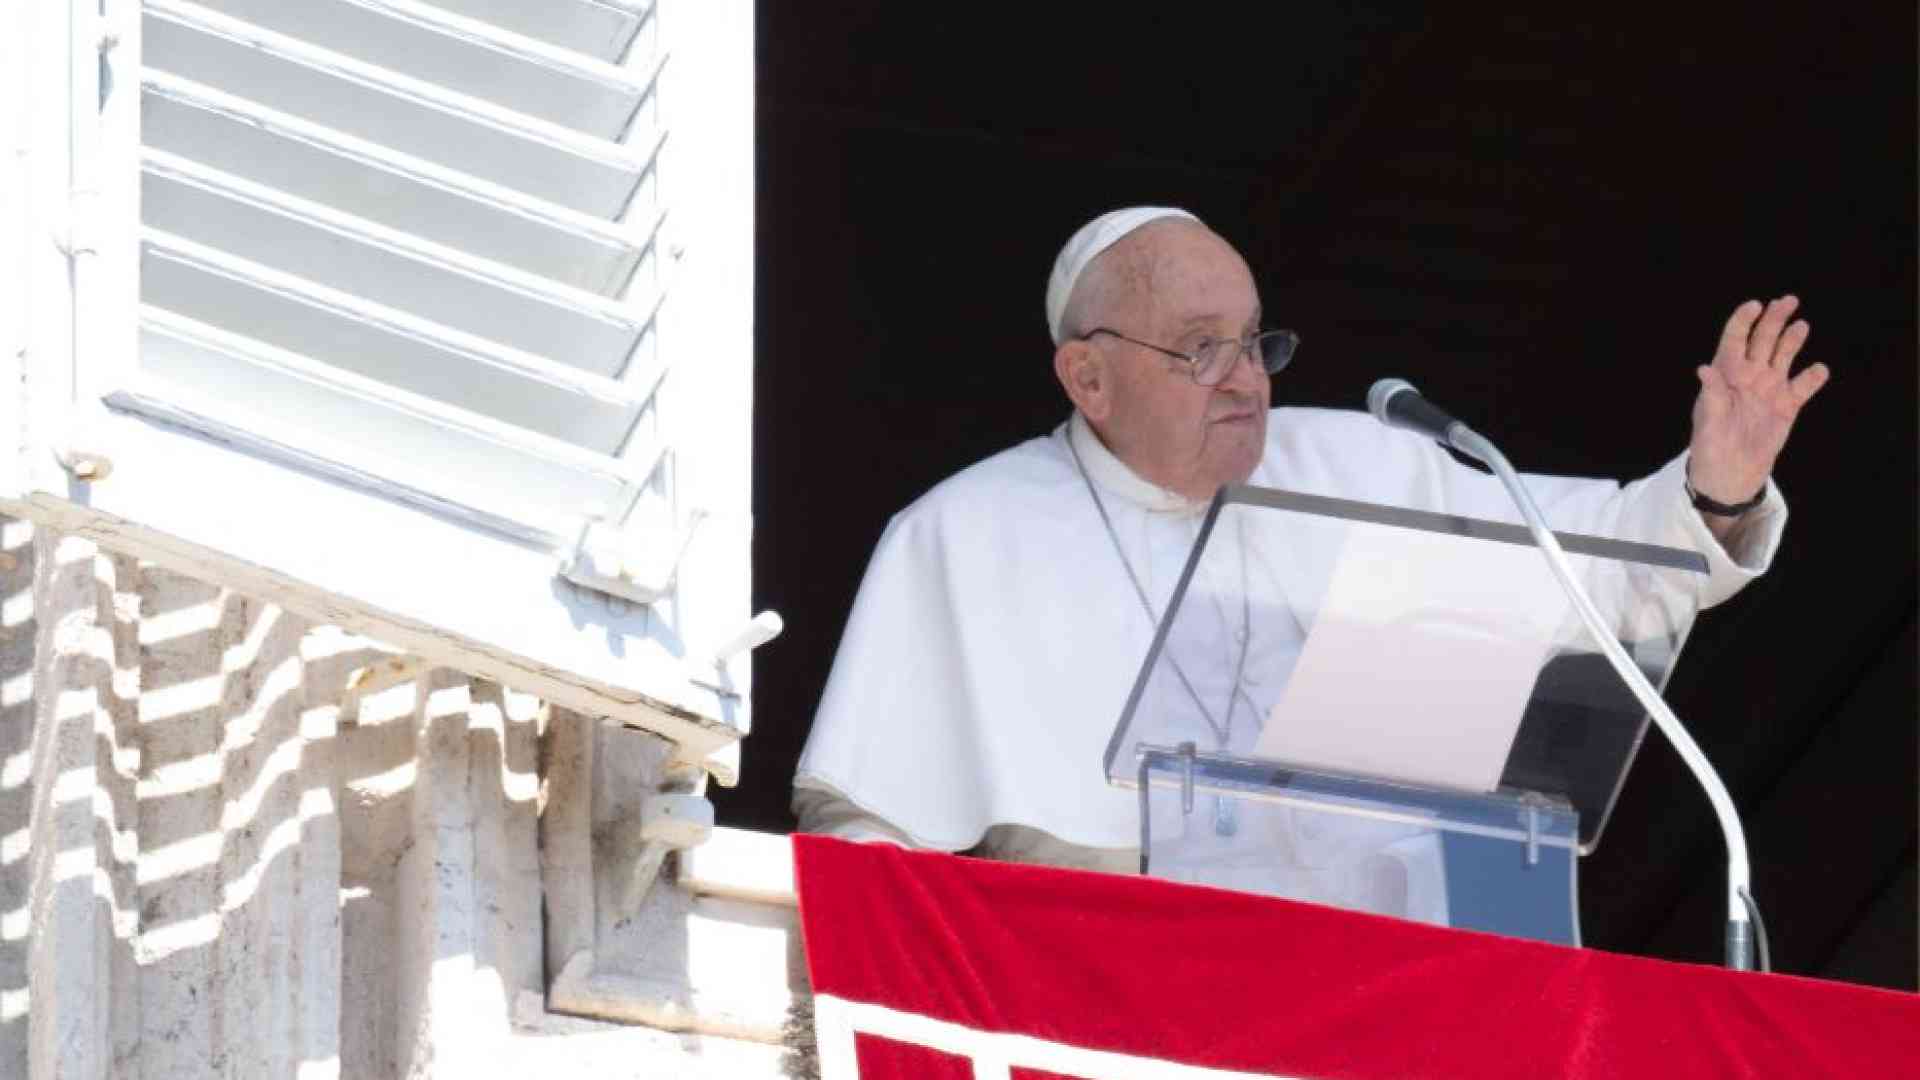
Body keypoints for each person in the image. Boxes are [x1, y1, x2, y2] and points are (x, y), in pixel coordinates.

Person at [792, 206, 1828, 923]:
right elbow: (864, 828)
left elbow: (1592, 572)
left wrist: (1716, 487)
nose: (1246, 380)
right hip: (1096, 982)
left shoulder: (1363, 467)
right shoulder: (965, 533)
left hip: (1368, 980)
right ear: (1088, 376)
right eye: (1201, 349)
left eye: (1255, 343)